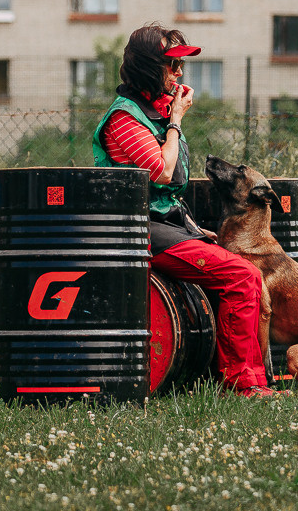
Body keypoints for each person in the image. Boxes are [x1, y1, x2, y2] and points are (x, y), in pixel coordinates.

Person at [92, 24, 287, 399]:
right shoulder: (124, 118)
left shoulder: (153, 113)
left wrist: (194, 228)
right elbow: (161, 172)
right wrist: (176, 121)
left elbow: (167, 195)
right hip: (139, 231)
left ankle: (256, 380)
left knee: (243, 275)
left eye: (180, 65)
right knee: (242, 276)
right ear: (149, 67)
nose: (179, 73)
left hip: (165, 226)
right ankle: (242, 384)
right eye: (172, 65)